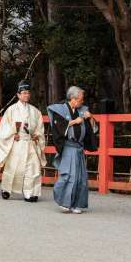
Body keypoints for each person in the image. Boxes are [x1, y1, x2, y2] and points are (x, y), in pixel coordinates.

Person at [48, 86, 97, 214]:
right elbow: (58, 127)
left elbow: (92, 129)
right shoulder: (60, 110)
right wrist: (75, 121)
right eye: (80, 100)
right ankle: (64, 202)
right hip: (69, 147)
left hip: (79, 148)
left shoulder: (83, 110)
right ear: (73, 99)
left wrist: (90, 117)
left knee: (81, 177)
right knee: (69, 175)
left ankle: (76, 204)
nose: (82, 102)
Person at [0, 81, 46, 202]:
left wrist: (37, 136)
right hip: (17, 143)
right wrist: (12, 134)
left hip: (30, 143)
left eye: (28, 93)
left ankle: (31, 192)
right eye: (23, 93)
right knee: (13, 167)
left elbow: (39, 128)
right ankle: (6, 189)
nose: (26, 95)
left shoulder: (35, 111)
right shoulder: (11, 110)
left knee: (33, 168)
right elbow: (4, 127)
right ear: (18, 95)